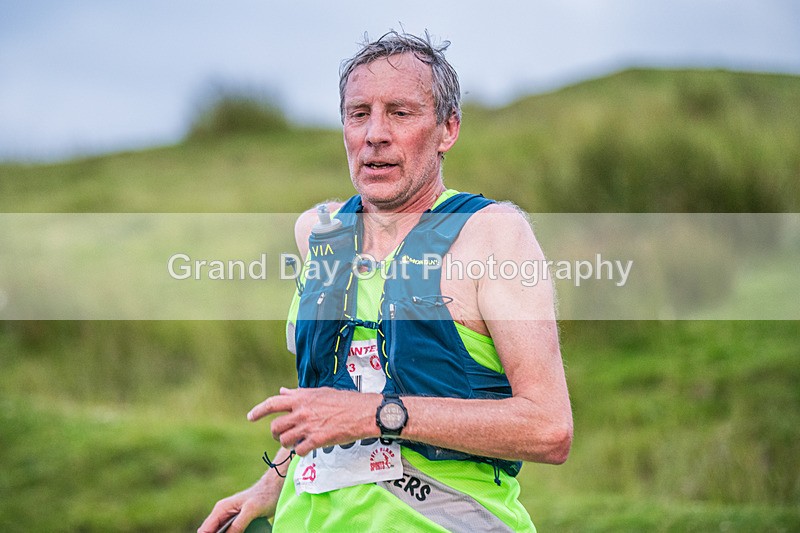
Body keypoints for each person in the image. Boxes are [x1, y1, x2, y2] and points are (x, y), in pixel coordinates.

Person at [199, 30, 572, 533]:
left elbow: (549, 429)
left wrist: (377, 414)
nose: (375, 134)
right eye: (359, 114)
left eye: (400, 112)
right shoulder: (319, 233)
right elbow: (338, 392)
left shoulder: (492, 237)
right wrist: (273, 484)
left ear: (447, 129)